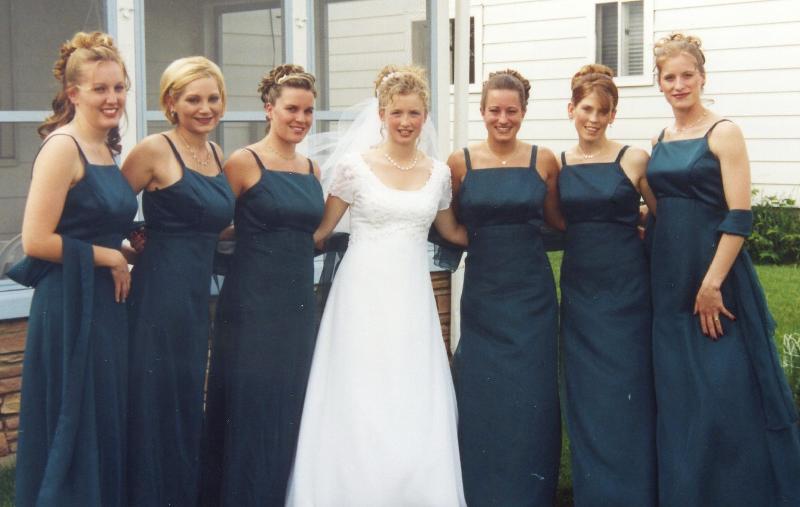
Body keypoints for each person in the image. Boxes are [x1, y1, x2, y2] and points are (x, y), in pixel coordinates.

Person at [286, 65, 467, 506]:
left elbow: (452, 231)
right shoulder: (355, 167)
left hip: (411, 298)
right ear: (381, 114)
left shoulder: (438, 174)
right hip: (361, 295)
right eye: (397, 112)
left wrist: (506, 234)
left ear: (425, 116)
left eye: (414, 113)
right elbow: (320, 231)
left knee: (409, 389)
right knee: (360, 388)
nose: (405, 122)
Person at [647, 33, 800, 506]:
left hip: (715, 278)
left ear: (702, 77)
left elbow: (739, 217)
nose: (678, 85)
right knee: (681, 396)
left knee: (723, 391)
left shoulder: (724, 132)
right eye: (669, 78)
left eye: (686, 75)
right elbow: (663, 208)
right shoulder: (659, 139)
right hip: (667, 280)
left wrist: (712, 284)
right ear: (659, 83)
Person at [9, 32, 138, 506]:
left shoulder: (105, 147)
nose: (112, 98)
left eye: (119, 87)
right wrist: (109, 257)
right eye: (100, 88)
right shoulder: (63, 147)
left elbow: (89, 225)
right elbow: (36, 239)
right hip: (68, 303)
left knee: (101, 414)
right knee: (76, 414)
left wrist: (125, 247)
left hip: (103, 302)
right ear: (74, 93)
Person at [200, 64, 324, 506]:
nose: (301, 119)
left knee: (291, 399)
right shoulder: (243, 162)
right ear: (270, 109)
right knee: (251, 403)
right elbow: (213, 225)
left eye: (308, 111)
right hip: (252, 304)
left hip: (297, 303)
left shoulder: (312, 168)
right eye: (292, 109)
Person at [121, 56, 234, 506]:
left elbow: (210, 225)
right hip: (159, 296)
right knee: (156, 399)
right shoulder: (154, 149)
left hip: (194, 298)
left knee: (185, 397)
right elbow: (107, 208)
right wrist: (128, 250)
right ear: (171, 102)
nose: (205, 108)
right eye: (193, 99)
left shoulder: (216, 154)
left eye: (213, 98)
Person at [447, 69, 564, 506]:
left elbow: (558, 220)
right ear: (482, 111)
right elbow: (449, 223)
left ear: (524, 112)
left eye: (511, 111)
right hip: (483, 293)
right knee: (484, 393)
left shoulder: (543, 161)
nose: (502, 119)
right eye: (494, 110)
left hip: (532, 294)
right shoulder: (460, 163)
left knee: (531, 395)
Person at [557, 64, 658, 506]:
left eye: (603, 111)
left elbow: (661, 215)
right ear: (571, 109)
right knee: (589, 396)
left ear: (614, 115)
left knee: (628, 393)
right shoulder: (558, 164)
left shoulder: (634, 158)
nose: (594, 119)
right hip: (581, 290)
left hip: (627, 291)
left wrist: (640, 222)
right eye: (586, 109)